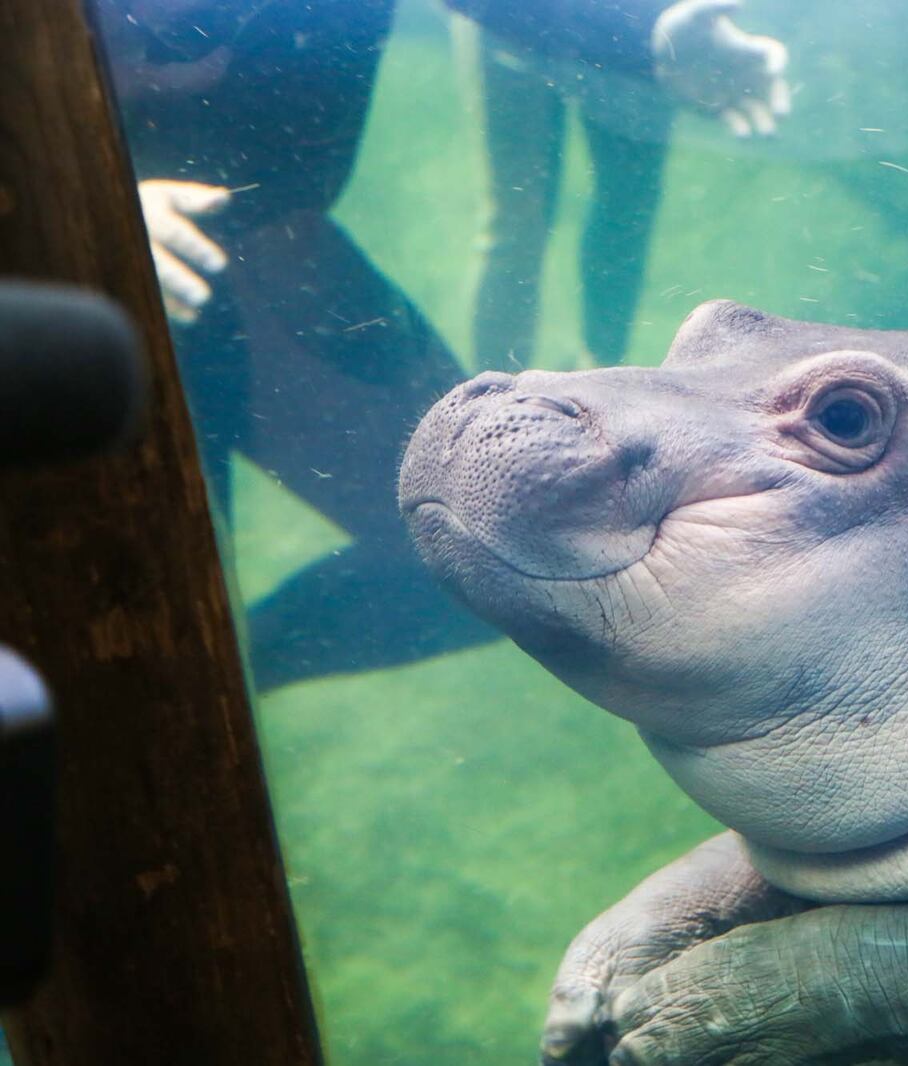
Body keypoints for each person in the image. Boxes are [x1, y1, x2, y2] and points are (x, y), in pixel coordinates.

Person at [93, 0, 790, 691]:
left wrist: (648, 36)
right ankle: (184, 679)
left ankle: (231, 673)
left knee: (480, 550)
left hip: (283, 260)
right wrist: (92, 203)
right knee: (131, 610)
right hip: (92, 298)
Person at [466, 0, 788, 370]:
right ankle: (487, 395)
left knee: (620, 213)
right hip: (518, 18)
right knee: (520, 219)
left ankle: (595, 387)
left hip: (633, 31)